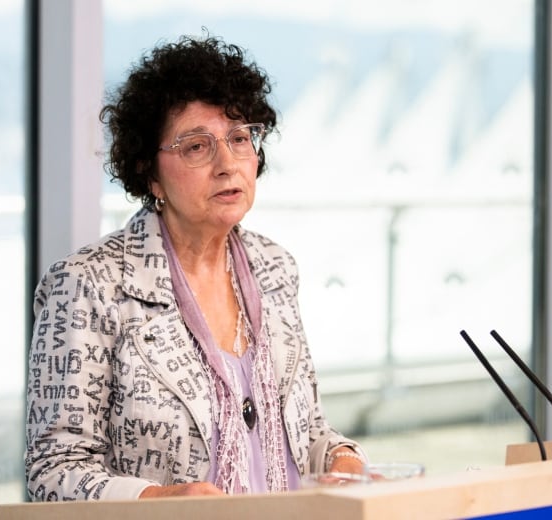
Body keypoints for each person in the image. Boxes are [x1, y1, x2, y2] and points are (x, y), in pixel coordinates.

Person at [25, 34, 367, 501]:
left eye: (240, 139)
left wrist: (342, 459)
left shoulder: (275, 268)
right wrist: (161, 502)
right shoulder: (88, 284)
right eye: (197, 147)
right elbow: (54, 471)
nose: (228, 164)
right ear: (150, 172)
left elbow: (306, 431)